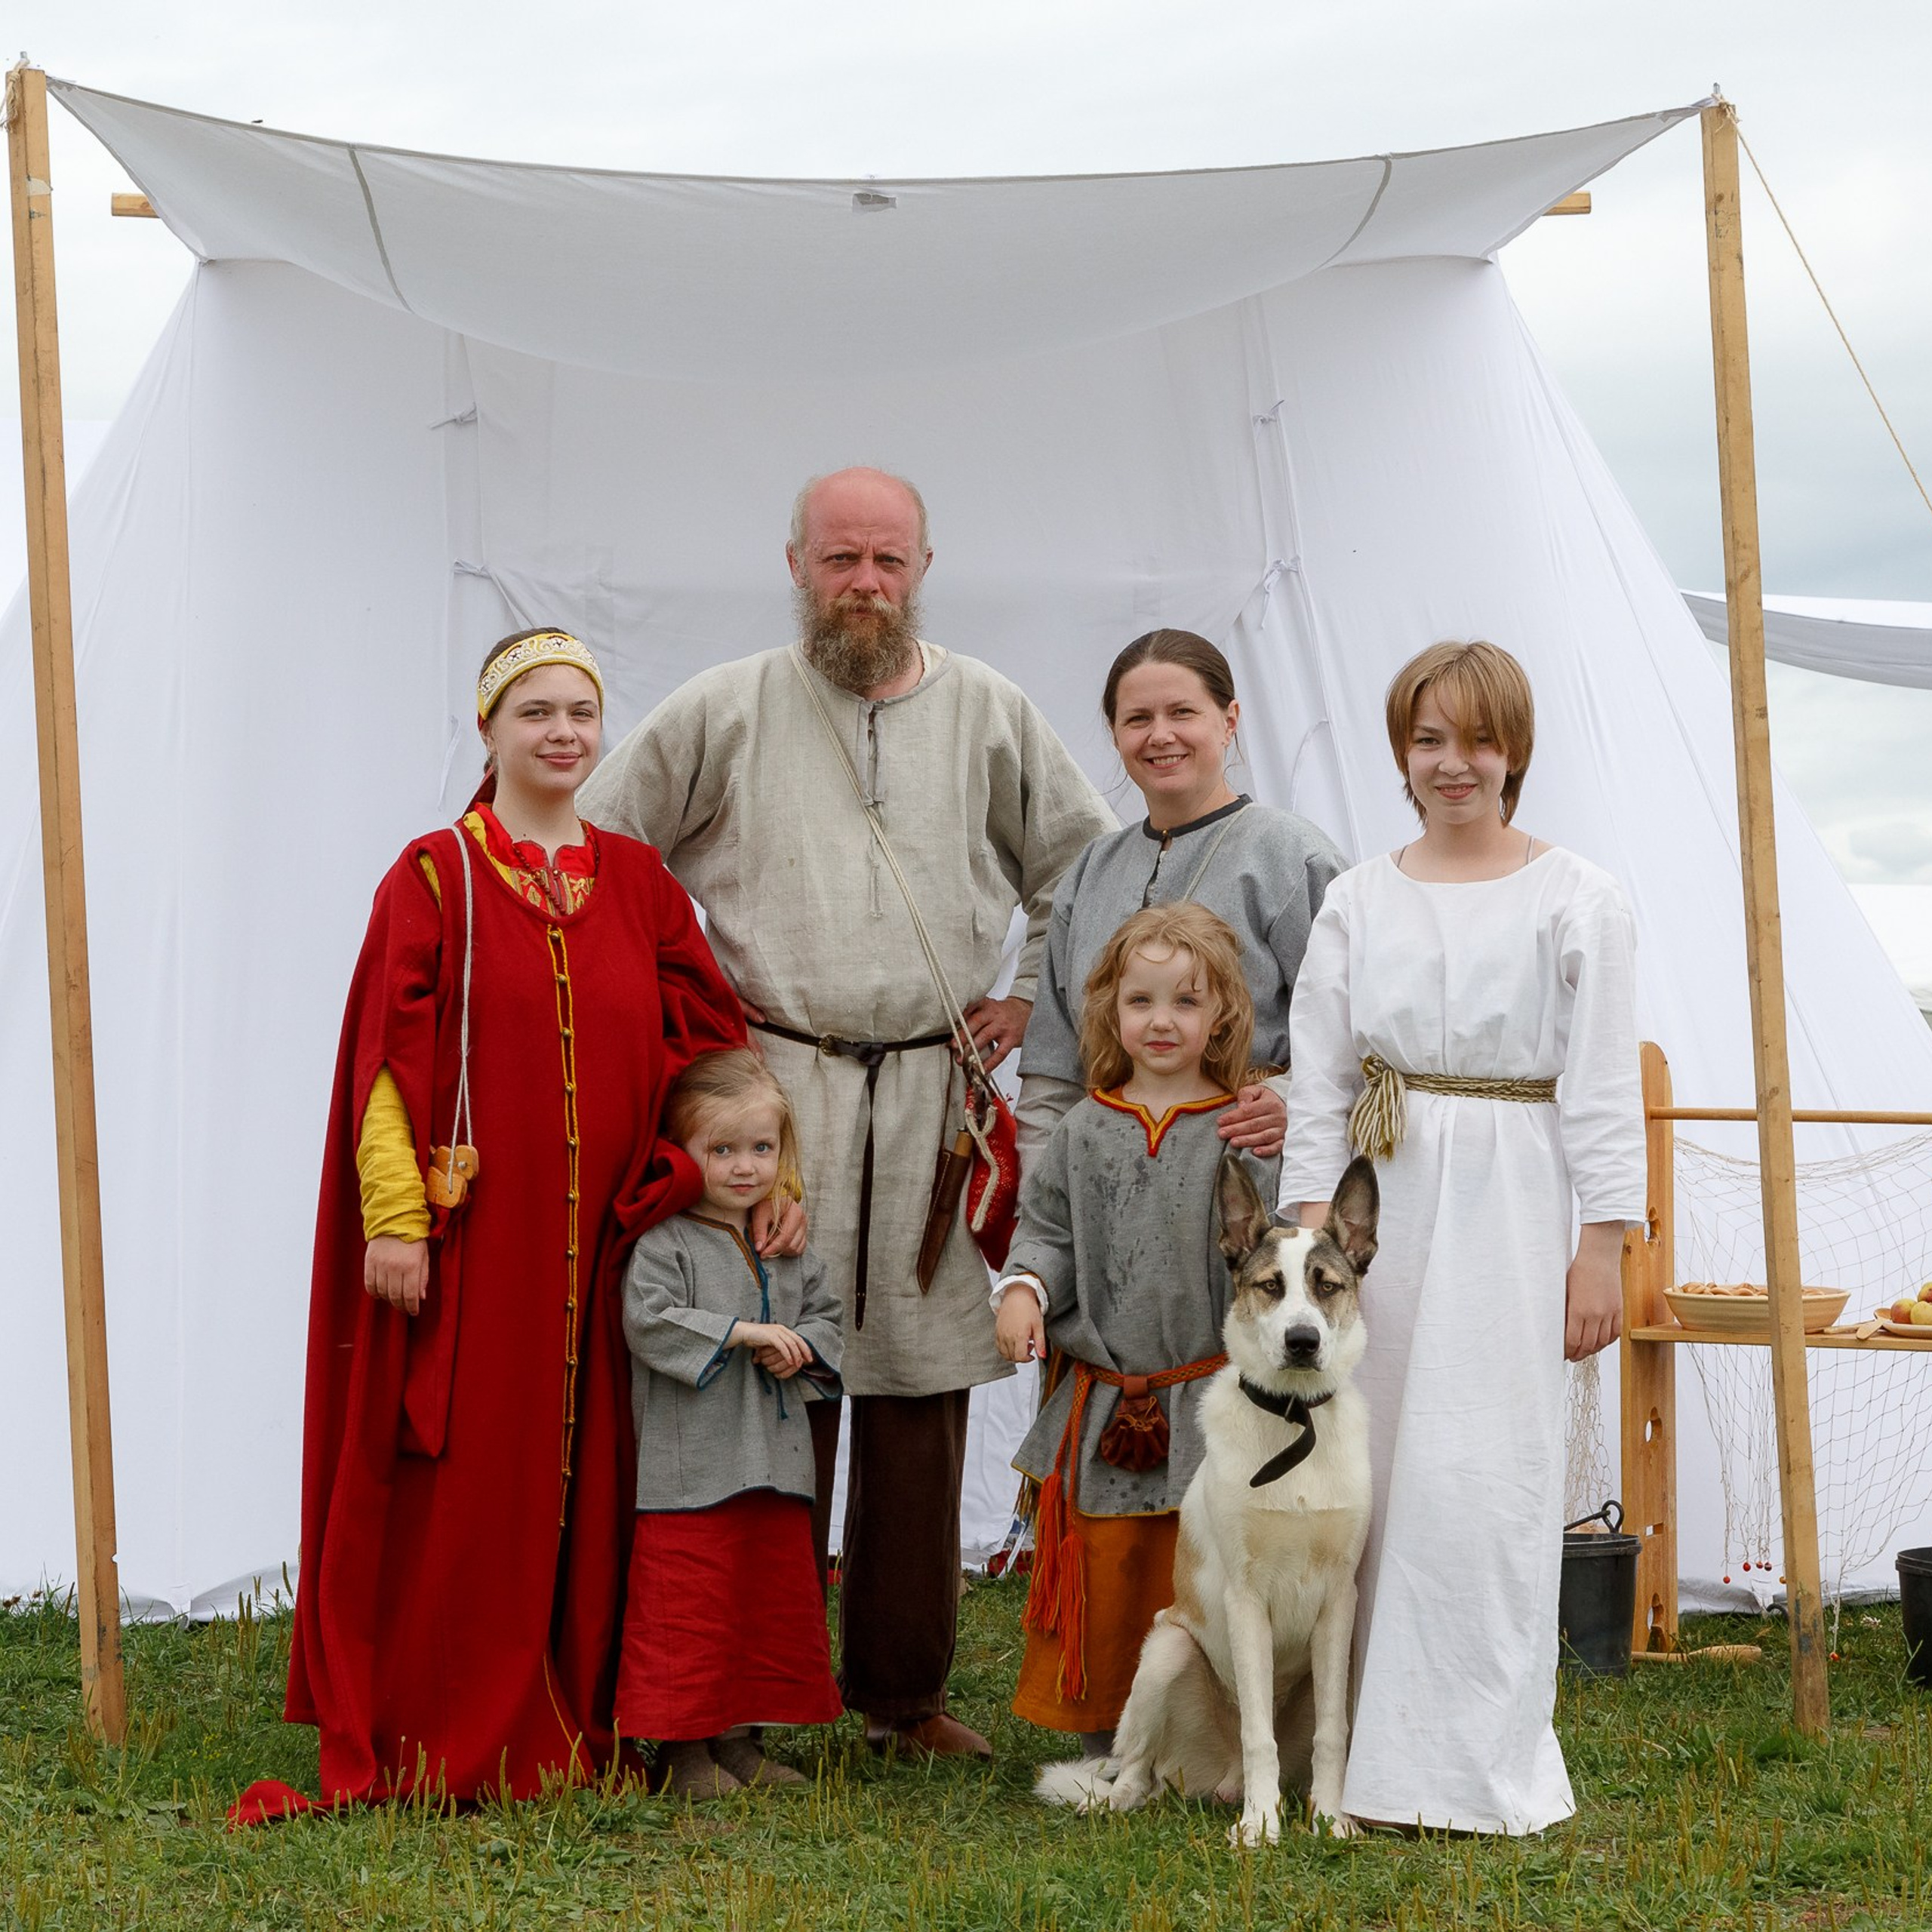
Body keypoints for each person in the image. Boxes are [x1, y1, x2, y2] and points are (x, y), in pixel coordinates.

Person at [577, 467, 1115, 1761]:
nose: (863, 584)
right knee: (772, 1387)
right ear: (796, 563)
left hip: (938, 1100)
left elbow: (1083, 875)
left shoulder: (990, 711)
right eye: (840, 561)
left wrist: (1032, 1002)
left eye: (886, 560)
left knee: (921, 1406)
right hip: (776, 1102)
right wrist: (684, 1032)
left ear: (925, 563)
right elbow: (602, 856)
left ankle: (900, 1694)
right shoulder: (728, 707)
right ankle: (747, 1692)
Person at [242, 628, 746, 1819]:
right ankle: (448, 1721)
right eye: (536, 713)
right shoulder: (434, 876)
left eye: (580, 711)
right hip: (478, 1248)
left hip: (609, 1250)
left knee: (600, 1473)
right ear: (489, 729)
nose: (563, 733)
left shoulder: (635, 880)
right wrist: (397, 1221)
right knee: (470, 1478)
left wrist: (724, 1176)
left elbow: (710, 1039)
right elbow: (386, 1059)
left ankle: (591, 1708)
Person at [1277, 639, 1644, 1835]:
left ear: (1515, 752)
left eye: (1477, 739)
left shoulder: (1577, 895)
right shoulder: (1359, 898)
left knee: (1483, 1480)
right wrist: (1306, 1225)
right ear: (1401, 753)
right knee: (1371, 1473)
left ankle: (1464, 1770)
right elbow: (1322, 1078)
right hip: (1386, 1205)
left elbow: (1598, 1088)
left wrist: (1605, 1242)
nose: (1454, 763)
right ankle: (1352, 1764)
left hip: (1518, 1205)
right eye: (1428, 739)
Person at [995, 903, 1275, 1752]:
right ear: (1108, 1012)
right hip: (1105, 1402)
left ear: (1221, 1014)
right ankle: (1100, 1734)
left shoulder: (1242, 1135)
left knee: (1195, 1567)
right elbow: (1046, 1231)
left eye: (1186, 1002)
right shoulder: (1082, 1130)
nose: (1161, 1021)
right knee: (1110, 1566)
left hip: (1207, 1400)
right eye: (1141, 1001)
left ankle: (1203, 1740)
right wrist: (1023, 1290)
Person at [1017, 629, 1344, 1163]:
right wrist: (1044, 1201)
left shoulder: (1293, 857)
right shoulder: (1092, 871)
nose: (1160, 735)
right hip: (1102, 1176)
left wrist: (1288, 1098)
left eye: (1183, 713)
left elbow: (1353, 1027)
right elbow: (1052, 1071)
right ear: (1115, 732)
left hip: (1245, 1178)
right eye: (1138, 719)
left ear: (1229, 720)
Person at [617, 1049, 844, 1798]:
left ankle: (740, 1745)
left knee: (757, 1602)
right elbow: (647, 1323)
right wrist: (742, 1335)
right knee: (692, 1611)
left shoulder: (783, 1244)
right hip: (691, 1471)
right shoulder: (667, 1242)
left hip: (773, 1465)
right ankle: (684, 1759)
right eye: (722, 1150)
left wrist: (802, 1348)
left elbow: (828, 1320)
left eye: (761, 1148)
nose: (745, 1167)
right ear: (683, 1153)